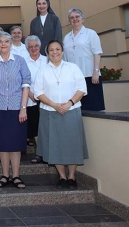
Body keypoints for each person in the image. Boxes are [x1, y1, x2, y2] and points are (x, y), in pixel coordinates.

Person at [32, 40, 89, 190]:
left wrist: (70, 103)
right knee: (54, 145)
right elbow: (38, 92)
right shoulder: (43, 70)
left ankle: (72, 176)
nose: (55, 52)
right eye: (51, 50)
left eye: (57, 49)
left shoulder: (73, 68)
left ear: (62, 51)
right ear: (48, 53)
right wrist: (55, 105)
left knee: (72, 144)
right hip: (50, 112)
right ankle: (62, 177)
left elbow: (82, 88)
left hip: (71, 110)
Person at [0, 32, 31, 189]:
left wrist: (23, 108)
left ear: (11, 44)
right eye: (0, 42)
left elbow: (26, 85)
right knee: (3, 144)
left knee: (16, 143)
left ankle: (16, 176)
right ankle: (5, 175)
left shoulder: (20, 61)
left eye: (6, 41)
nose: (3, 44)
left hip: (17, 108)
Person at [63, 8, 105, 111]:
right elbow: (65, 58)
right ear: (69, 21)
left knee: (93, 107)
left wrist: (96, 71)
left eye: (77, 17)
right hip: (73, 78)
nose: (75, 19)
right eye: (72, 18)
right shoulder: (67, 37)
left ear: (82, 19)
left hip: (89, 75)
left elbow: (97, 53)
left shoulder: (91, 34)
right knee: (78, 107)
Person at [23, 36, 47, 163]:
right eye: (30, 46)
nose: (33, 48)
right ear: (27, 48)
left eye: (35, 46)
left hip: (48, 100)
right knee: (36, 127)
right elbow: (22, 82)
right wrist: (32, 95)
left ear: (39, 46)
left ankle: (49, 152)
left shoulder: (47, 60)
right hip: (31, 100)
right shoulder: (23, 62)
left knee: (47, 127)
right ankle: (40, 153)